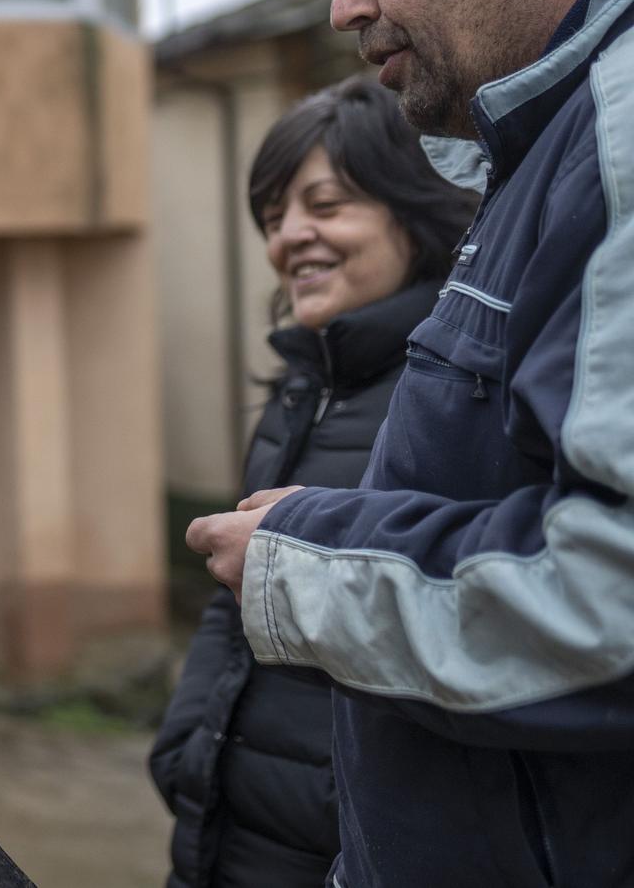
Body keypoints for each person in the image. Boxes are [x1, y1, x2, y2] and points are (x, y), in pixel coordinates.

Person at [186, 0, 634, 887]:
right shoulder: (542, 153)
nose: (340, 6)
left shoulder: (616, 145)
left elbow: (612, 607)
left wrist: (302, 565)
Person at [151, 77, 478, 888]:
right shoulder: (299, 391)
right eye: (272, 217)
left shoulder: (453, 398)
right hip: (224, 837)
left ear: (411, 210)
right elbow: (231, 601)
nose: (292, 237)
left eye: (326, 206)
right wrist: (189, 741)